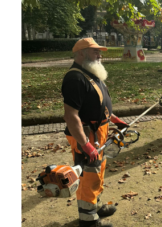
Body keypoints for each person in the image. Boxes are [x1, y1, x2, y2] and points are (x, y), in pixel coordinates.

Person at [61, 38, 129, 227]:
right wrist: (85, 144)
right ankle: (88, 220)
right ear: (81, 53)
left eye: (100, 52)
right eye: (95, 52)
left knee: (98, 171)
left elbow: (98, 105)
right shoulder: (75, 78)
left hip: (100, 132)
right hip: (86, 135)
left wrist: (115, 120)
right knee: (88, 176)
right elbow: (71, 116)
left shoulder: (91, 73)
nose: (100, 55)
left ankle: (95, 207)